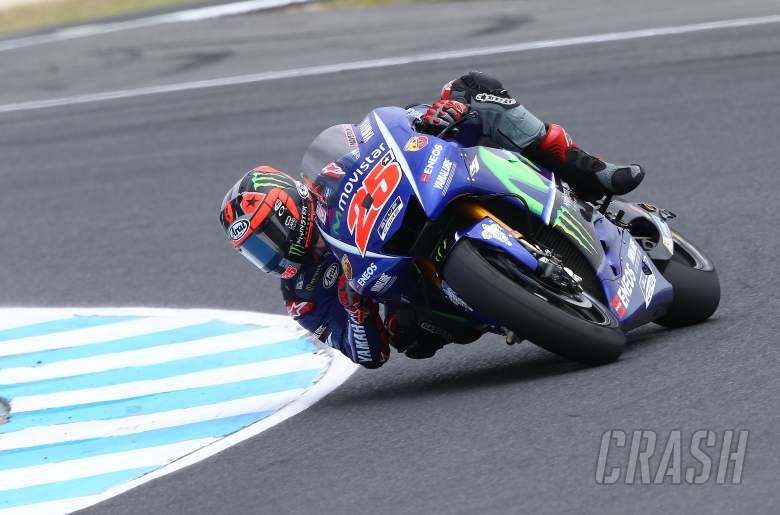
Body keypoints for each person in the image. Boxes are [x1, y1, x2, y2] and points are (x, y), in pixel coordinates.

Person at [219, 71, 645, 369]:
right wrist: (354, 307)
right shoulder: (303, 291)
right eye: (256, 252)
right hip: (421, 301)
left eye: (267, 239)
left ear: (288, 208)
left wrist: (428, 116)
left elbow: (384, 135)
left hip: (423, 198)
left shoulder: (329, 178)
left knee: (474, 89)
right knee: (411, 335)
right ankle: (517, 302)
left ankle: (590, 173)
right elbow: (366, 355)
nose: (270, 255)